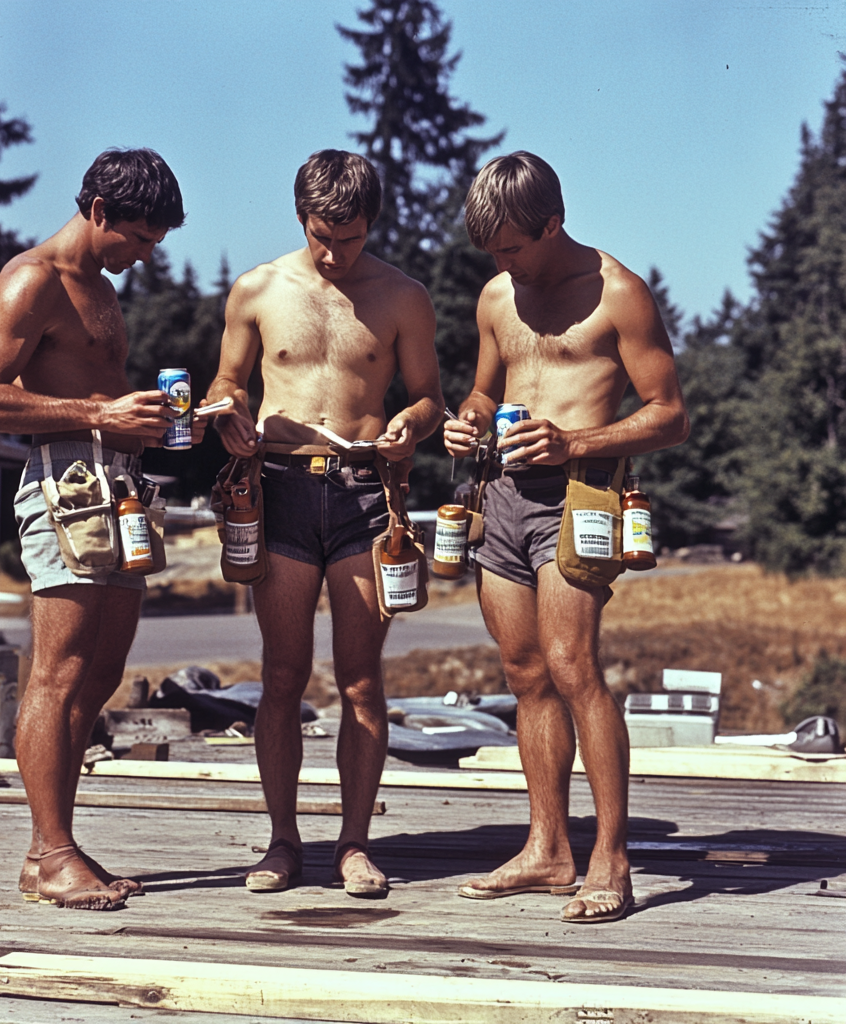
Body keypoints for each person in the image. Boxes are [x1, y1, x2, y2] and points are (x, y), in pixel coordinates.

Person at [444, 152, 689, 923]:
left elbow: (670, 416)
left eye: (513, 246)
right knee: (524, 673)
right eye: (491, 250)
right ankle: (548, 849)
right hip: (505, 494)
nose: (502, 261)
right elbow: (487, 388)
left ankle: (610, 858)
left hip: (582, 495)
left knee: (574, 666)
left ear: (553, 223)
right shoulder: (496, 295)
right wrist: (470, 420)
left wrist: (574, 442)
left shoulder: (619, 295)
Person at [0, 148, 198, 910]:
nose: (143, 256)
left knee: (99, 673)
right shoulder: (32, 278)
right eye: (136, 238)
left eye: (155, 244)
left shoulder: (100, 287)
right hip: (63, 486)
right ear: (98, 211)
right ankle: (48, 852)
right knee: (57, 670)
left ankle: (54, 847)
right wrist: (99, 414)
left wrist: (144, 421)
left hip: (119, 484)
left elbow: (95, 392)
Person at [206, 150, 444, 896]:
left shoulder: (404, 297)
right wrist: (229, 417)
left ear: (372, 222)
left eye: (349, 237)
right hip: (277, 490)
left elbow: (431, 396)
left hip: (365, 496)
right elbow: (223, 384)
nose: (334, 253)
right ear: (301, 218)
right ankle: (282, 842)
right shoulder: (257, 288)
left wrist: (411, 422)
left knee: (363, 682)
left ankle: (353, 844)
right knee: (281, 675)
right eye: (320, 235)